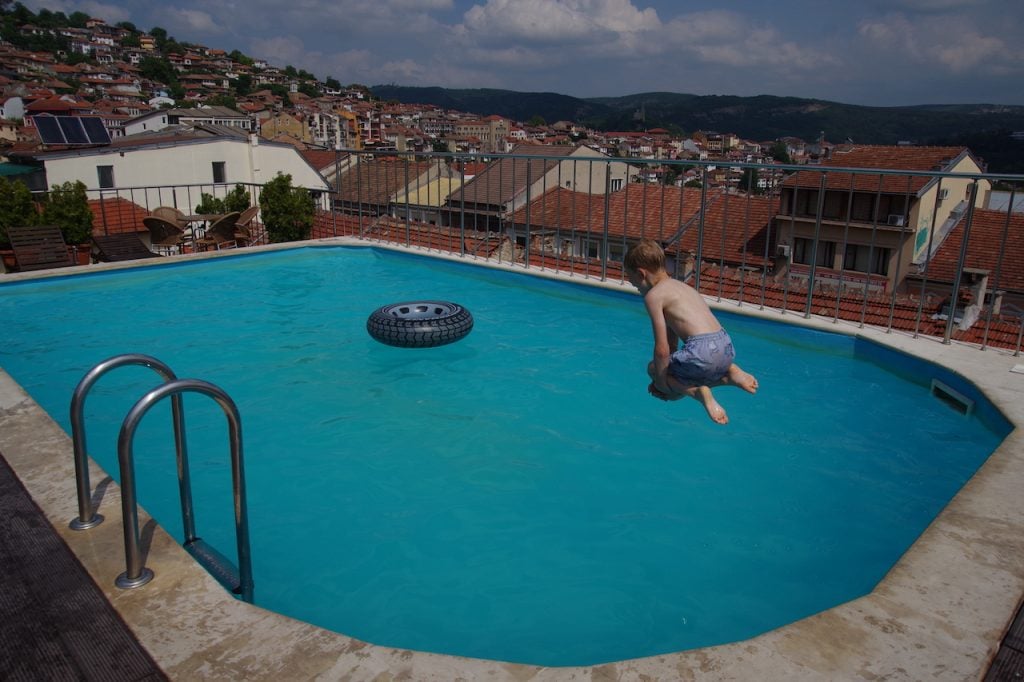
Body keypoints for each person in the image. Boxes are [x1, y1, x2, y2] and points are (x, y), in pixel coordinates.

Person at [624, 238, 758, 424]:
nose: (638, 289)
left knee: (655, 370)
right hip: (725, 346)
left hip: (701, 350)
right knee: (684, 374)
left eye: (635, 284)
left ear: (641, 274)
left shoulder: (654, 297)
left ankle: (698, 393)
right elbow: (672, 347)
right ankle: (731, 374)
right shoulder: (684, 287)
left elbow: (662, 349)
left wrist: (662, 383)